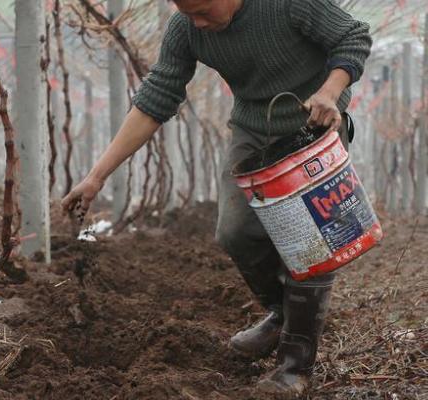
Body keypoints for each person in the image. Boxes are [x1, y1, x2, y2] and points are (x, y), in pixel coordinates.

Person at [61, 0, 372, 397]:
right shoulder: (186, 29)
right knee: (235, 231)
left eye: (204, 10)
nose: (197, 22)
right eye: (188, 12)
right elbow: (158, 94)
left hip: (315, 130)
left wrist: (330, 91)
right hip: (252, 131)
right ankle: (282, 313)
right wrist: (95, 176)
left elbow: (353, 35)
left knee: (312, 247)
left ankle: (295, 366)